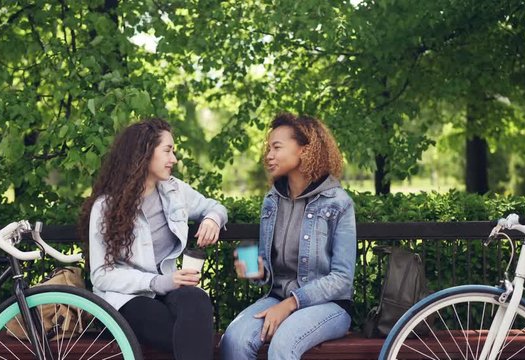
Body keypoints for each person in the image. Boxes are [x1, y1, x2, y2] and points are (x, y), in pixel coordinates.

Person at [78, 118, 227, 360]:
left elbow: (215, 206)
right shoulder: (106, 206)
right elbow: (101, 274)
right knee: (189, 335)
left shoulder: (174, 191)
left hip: (168, 289)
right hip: (124, 299)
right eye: (167, 151)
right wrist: (157, 282)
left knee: (197, 299)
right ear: (144, 153)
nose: (174, 160)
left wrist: (213, 219)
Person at [220, 113, 356, 360]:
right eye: (268, 148)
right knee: (234, 340)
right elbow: (269, 268)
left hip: (329, 306)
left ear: (305, 150)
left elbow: (342, 279)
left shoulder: (338, 202)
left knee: (283, 344)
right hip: (278, 298)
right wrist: (256, 271)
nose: (268, 155)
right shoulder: (272, 200)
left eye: (277, 147)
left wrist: (291, 303)